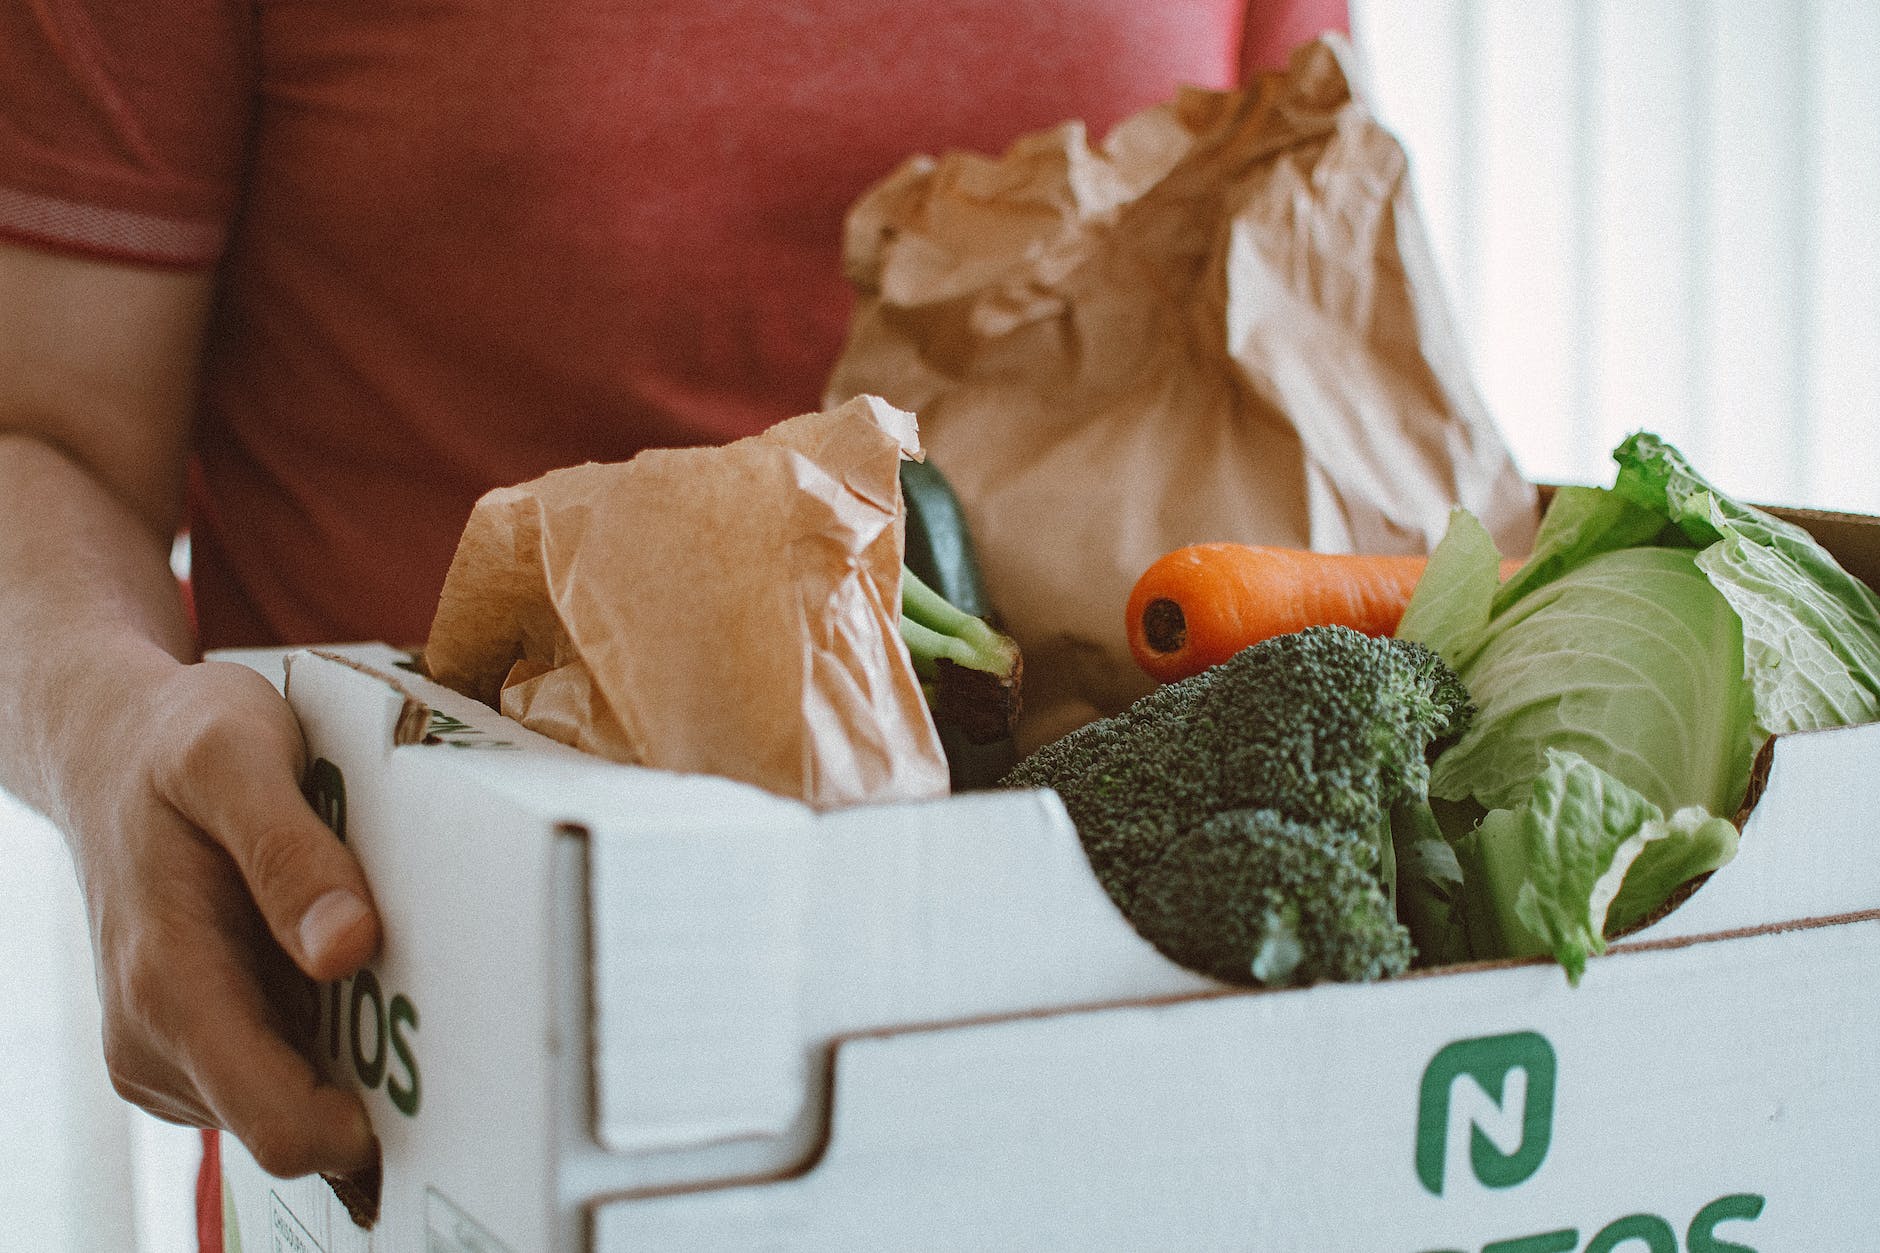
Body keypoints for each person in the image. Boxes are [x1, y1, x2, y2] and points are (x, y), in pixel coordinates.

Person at [0, 0, 1347, 1246]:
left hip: (1103, 1116)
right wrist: (105, 729)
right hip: (448, 1092)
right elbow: (39, 434)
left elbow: (1310, 296)